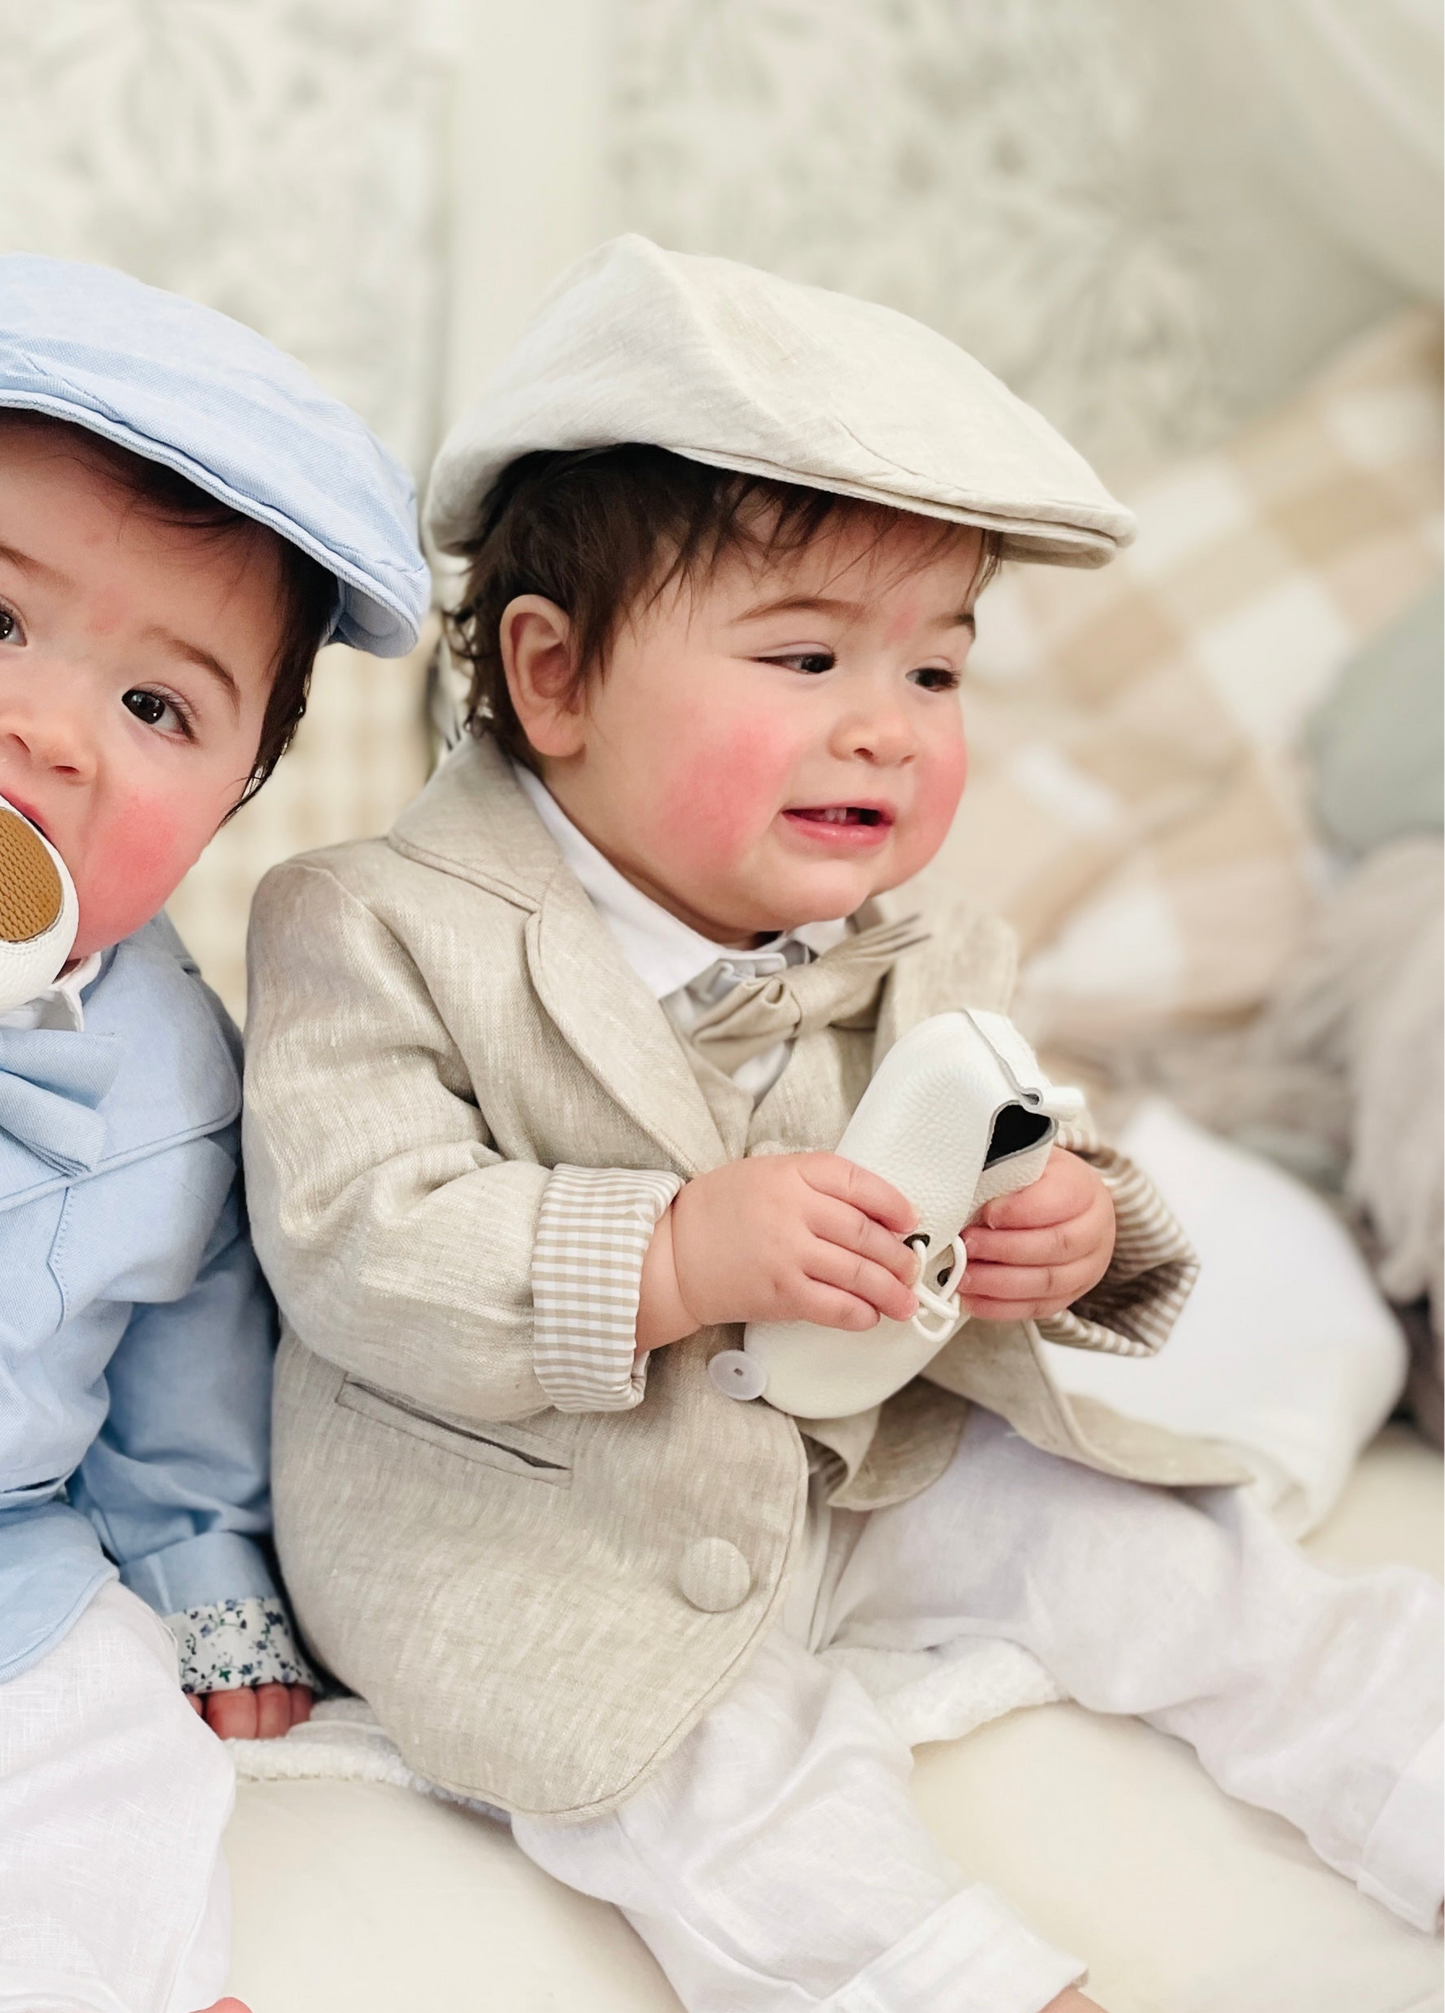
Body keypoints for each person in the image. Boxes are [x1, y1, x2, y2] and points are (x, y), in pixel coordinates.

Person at [243, 237, 1445, 2013]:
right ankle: (962, 1982)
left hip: (874, 1456)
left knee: (1208, 1574)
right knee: (719, 1784)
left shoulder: (933, 934)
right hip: (535, 1523)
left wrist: (1081, 1228)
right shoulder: (369, 921)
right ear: (554, 679)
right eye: (807, 659)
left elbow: (1028, 1138)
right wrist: (666, 1252)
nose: (886, 734)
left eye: (938, 677)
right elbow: (357, 1238)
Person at [0, 256, 429, 2013]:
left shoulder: (177, 1074)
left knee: (116, 1765)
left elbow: (183, 1354)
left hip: (6, 1562)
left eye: (157, 706)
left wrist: (197, 1569)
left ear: (239, 799)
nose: (47, 729)